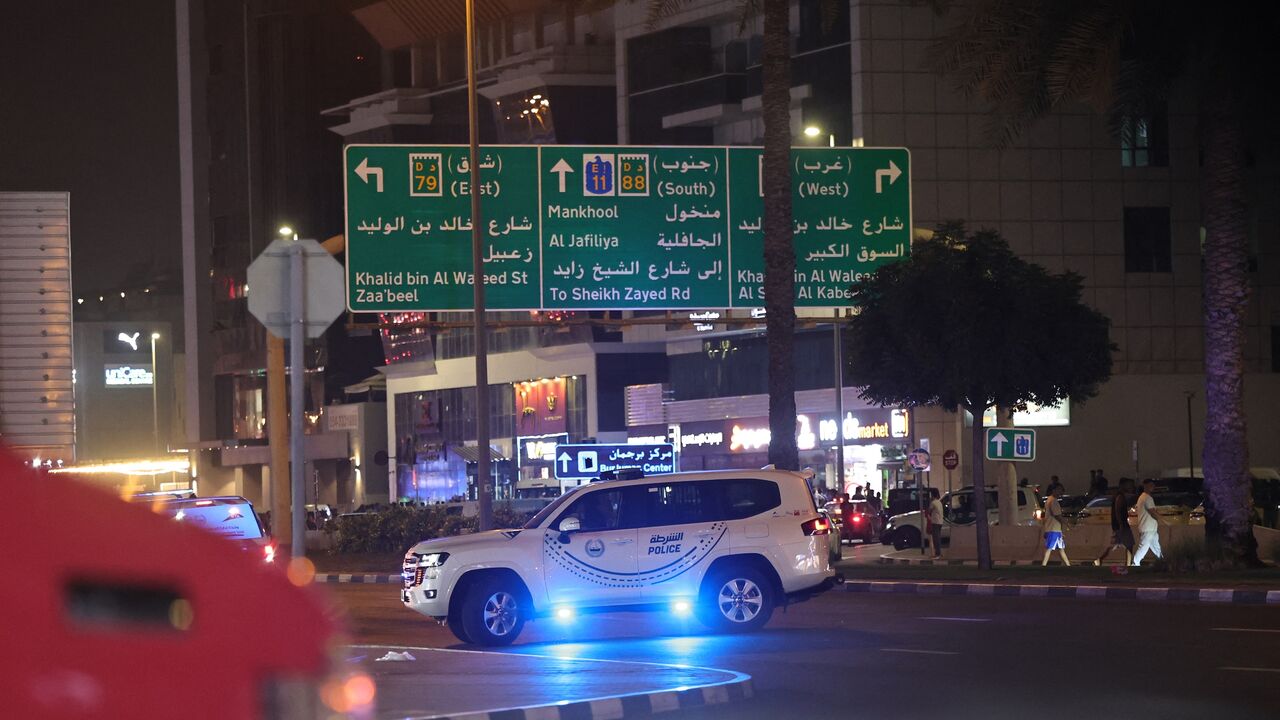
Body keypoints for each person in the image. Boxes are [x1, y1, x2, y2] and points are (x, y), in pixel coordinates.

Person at [1093, 479, 1135, 566]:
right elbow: (1118, 510)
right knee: (1129, 544)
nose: (1130, 487)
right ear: (1123, 485)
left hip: (1118, 525)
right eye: (1128, 485)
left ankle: (1099, 560)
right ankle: (1128, 564)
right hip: (1122, 525)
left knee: (1115, 545)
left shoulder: (1118, 496)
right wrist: (1121, 524)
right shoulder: (1120, 496)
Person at [1131, 479, 1163, 565]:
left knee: (1156, 547)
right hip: (1148, 528)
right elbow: (1152, 511)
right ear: (1145, 486)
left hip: (1150, 528)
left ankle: (1162, 561)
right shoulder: (1147, 498)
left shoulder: (1142, 497)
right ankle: (1135, 563)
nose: (1153, 487)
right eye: (1151, 485)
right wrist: (1163, 520)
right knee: (1144, 547)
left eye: (1153, 485)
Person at [1041, 484, 1071, 566]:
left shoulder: (1049, 500)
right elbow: (1057, 515)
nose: (1060, 492)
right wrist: (1066, 523)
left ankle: (1068, 565)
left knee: (1060, 549)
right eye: (1059, 490)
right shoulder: (1053, 501)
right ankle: (1043, 565)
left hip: (1052, 528)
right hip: (1054, 529)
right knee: (1050, 548)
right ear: (1054, 490)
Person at [927, 488, 944, 559]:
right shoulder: (939, 502)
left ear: (932, 495)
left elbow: (929, 511)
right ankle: (939, 553)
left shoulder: (933, 503)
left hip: (935, 522)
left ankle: (938, 554)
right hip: (940, 522)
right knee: (938, 538)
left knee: (936, 539)